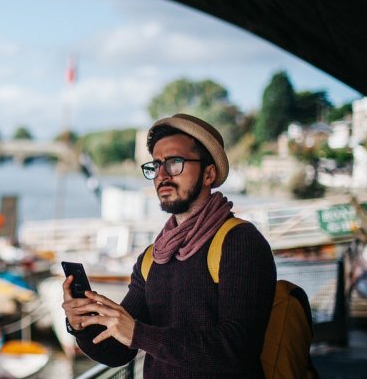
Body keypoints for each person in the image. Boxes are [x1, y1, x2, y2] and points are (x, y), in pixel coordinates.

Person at [62, 113, 276, 378]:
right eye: (155, 165)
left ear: (209, 173)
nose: (161, 175)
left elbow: (236, 350)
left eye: (174, 163)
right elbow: (119, 352)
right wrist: (82, 324)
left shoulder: (240, 242)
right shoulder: (153, 257)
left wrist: (139, 334)